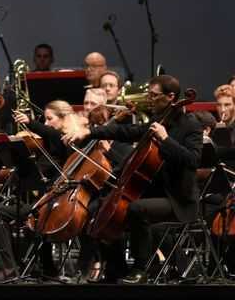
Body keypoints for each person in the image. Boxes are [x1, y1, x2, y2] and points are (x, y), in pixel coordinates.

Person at [64, 74, 202, 284]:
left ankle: (140, 269)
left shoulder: (190, 125)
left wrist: (165, 139)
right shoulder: (158, 120)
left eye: (154, 96)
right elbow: (125, 131)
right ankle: (115, 269)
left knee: (136, 209)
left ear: (171, 97)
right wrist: (90, 133)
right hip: (154, 193)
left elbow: (192, 160)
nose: (149, 99)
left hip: (178, 199)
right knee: (99, 208)